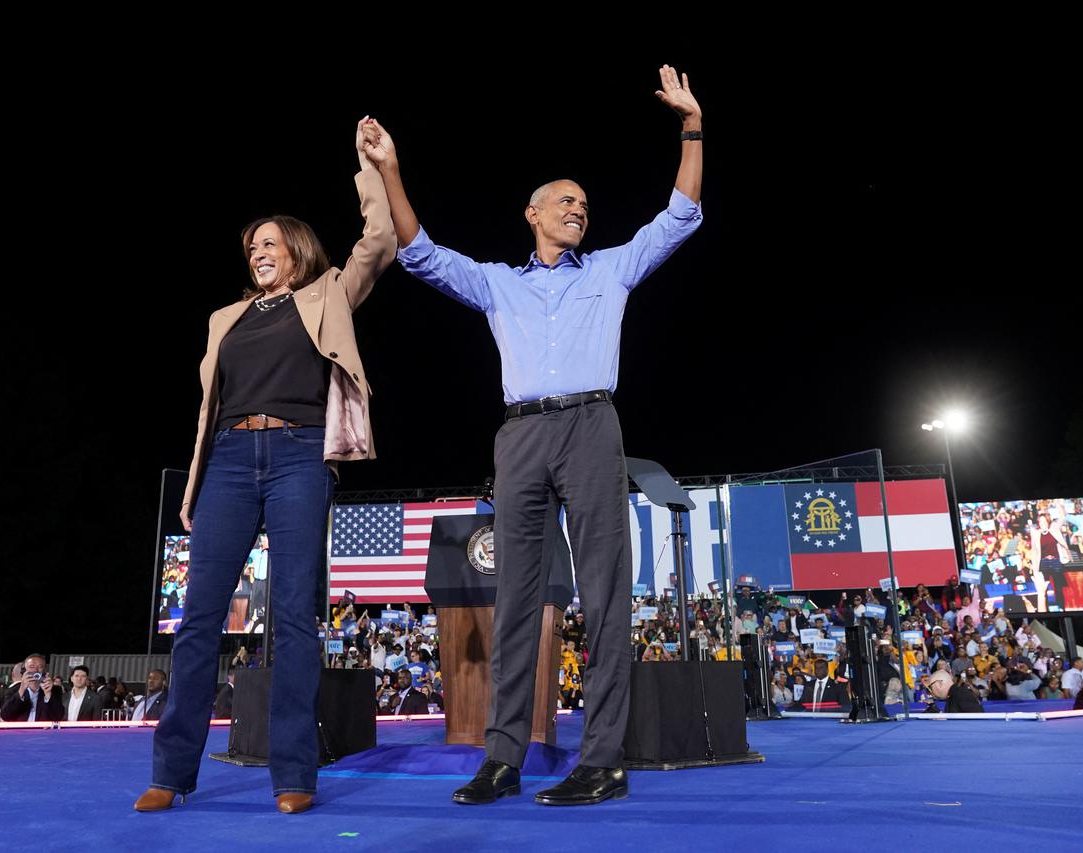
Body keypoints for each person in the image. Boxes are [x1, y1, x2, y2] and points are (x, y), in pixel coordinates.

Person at [372, 65, 704, 808]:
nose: (578, 209)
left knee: (605, 593)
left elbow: (680, 214)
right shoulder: (500, 282)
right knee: (516, 599)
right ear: (532, 214)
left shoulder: (612, 270)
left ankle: (604, 760)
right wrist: (392, 168)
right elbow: (419, 252)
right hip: (519, 436)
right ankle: (502, 759)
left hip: (591, 424)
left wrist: (691, 125)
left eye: (584, 203)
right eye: (564, 200)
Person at [135, 119, 396, 816]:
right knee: (197, 620)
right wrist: (193, 488)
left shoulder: (328, 295)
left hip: (299, 458)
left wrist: (372, 166)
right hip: (226, 463)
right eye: (252, 247)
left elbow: (380, 241)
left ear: (298, 252)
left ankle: (293, 776)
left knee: (294, 619)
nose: (259, 253)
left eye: (270, 244)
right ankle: (171, 771)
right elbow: (205, 414)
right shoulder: (225, 318)